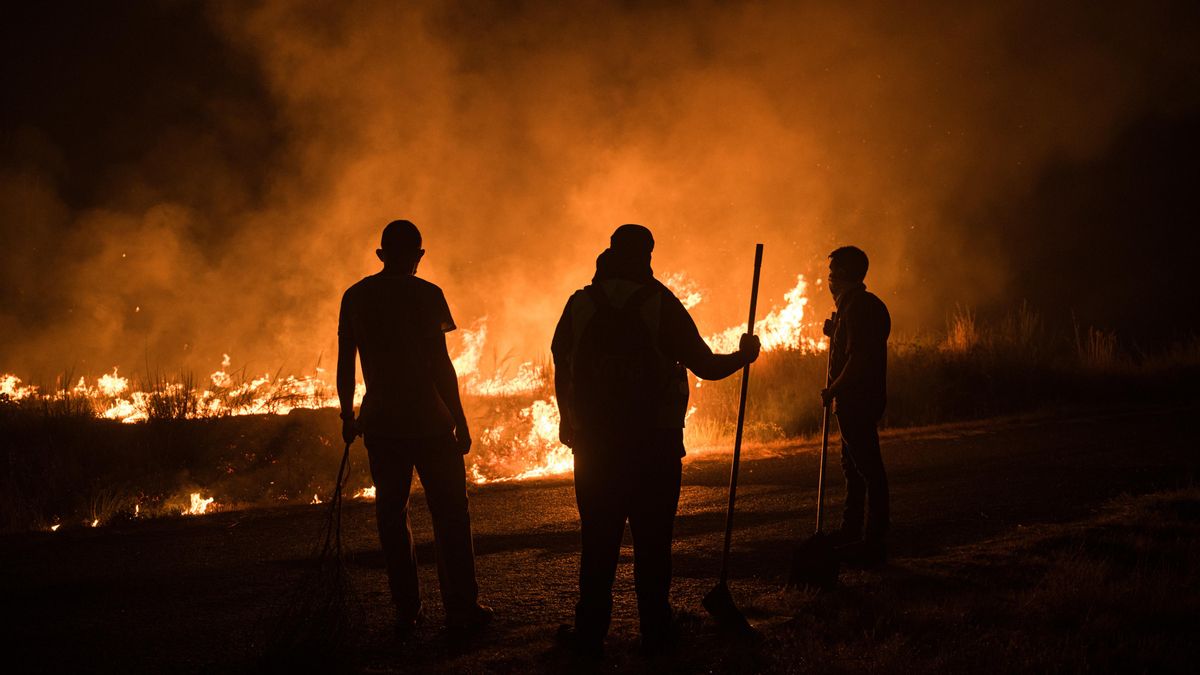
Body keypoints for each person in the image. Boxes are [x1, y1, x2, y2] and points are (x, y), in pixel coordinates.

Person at [551, 224, 760, 658]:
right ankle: (656, 631)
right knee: (652, 544)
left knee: (598, 543)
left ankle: (589, 635)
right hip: (655, 445)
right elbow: (705, 366)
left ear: (608, 252)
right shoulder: (659, 302)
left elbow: (561, 364)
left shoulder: (580, 303)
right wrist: (743, 356)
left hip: (594, 447)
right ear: (647, 255)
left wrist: (565, 420)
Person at [337, 219, 492, 637]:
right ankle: (461, 605)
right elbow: (440, 364)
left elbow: (345, 362)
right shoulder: (427, 295)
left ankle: (407, 608)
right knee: (451, 515)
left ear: (382, 255)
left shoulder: (356, 297)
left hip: (383, 423)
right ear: (419, 256)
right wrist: (459, 419)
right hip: (429, 421)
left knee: (392, 514)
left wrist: (348, 415)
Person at [820, 245, 891, 568]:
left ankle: (874, 541)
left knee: (868, 469)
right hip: (855, 400)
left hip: (856, 400)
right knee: (853, 468)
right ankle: (852, 531)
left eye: (833, 273)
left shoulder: (860, 308)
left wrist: (833, 388)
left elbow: (860, 358)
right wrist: (835, 332)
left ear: (845, 275)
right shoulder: (855, 307)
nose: (828, 279)